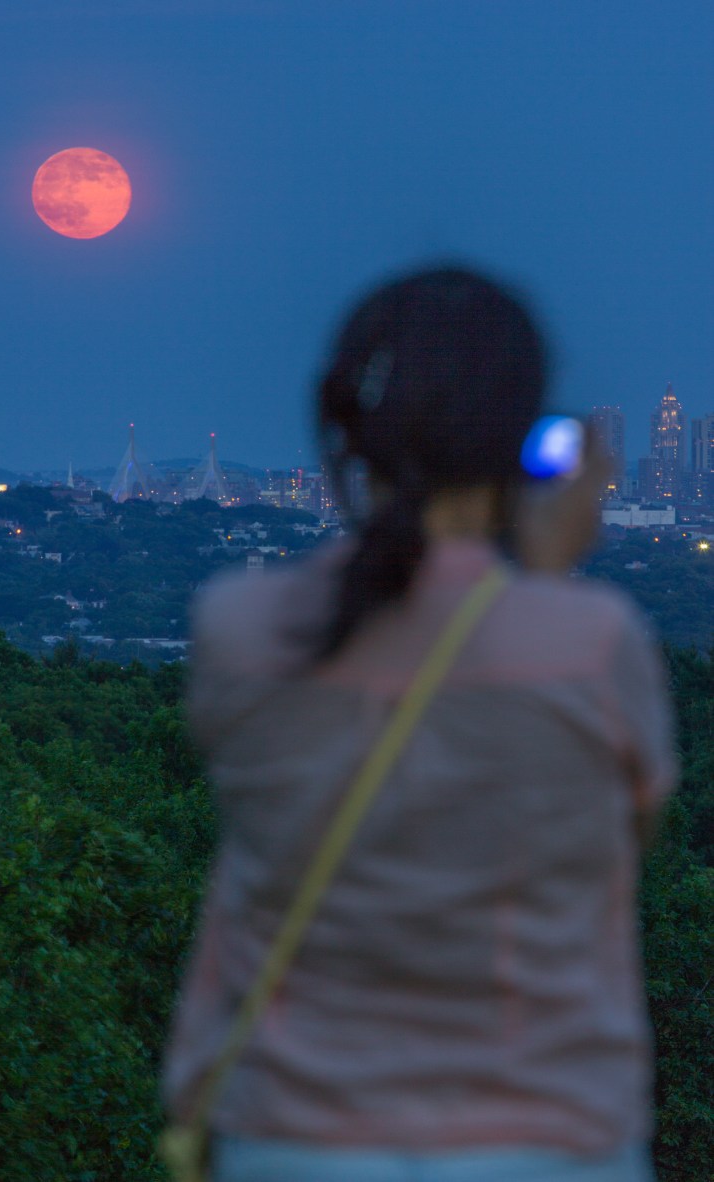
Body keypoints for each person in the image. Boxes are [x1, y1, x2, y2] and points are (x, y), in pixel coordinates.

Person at [162, 267, 677, 1182]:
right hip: (543, 1134)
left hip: (292, 1136)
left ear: (351, 429)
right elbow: (617, 841)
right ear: (519, 436)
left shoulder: (237, 631)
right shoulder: (593, 642)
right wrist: (545, 576)